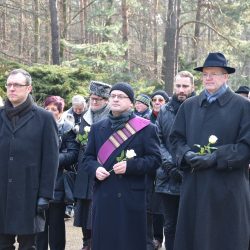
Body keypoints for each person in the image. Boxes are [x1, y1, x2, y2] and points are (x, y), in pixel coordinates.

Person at [169, 52, 250, 250]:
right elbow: (175, 139)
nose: (209, 78)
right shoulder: (189, 106)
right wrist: (186, 155)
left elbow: (246, 146)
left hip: (228, 189)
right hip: (194, 187)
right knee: (193, 239)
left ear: (226, 77)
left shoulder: (243, 106)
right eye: (205, 74)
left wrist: (215, 157)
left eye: (214, 73)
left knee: (224, 240)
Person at [82, 82, 161, 250]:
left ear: (131, 102)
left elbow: (155, 160)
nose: (116, 99)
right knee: (105, 241)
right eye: (113, 96)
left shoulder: (146, 128)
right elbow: (87, 158)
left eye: (121, 96)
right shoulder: (97, 128)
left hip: (131, 197)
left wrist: (131, 166)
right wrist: (95, 168)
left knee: (129, 242)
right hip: (104, 195)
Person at [0, 69, 58, 249]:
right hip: (2, 191)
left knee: (28, 245)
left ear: (29, 88)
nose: (11, 89)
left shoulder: (44, 118)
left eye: (17, 85)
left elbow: (51, 159)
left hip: (29, 192)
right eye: (8, 85)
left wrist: (45, 195)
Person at [155, 71, 195, 250]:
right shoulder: (164, 110)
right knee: (170, 226)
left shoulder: (199, 108)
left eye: (185, 86)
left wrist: (187, 165)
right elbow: (158, 140)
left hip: (193, 175)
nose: (181, 90)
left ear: (192, 87)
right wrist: (170, 165)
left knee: (192, 225)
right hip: (167, 177)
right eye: (178, 86)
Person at [36, 96, 79, 250]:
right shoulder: (37, 126)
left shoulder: (67, 129)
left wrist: (51, 159)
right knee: (39, 224)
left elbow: (73, 154)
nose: (49, 112)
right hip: (38, 182)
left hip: (58, 181)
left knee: (56, 225)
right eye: (46, 109)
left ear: (60, 112)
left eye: (53, 109)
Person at [73, 80, 111, 250]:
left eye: (98, 99)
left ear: (106, 100)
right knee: (83, 207)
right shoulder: (85, 117)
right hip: (84, 170)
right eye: (92, 98)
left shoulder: (110, 117)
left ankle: (96, 242)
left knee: (96, 210)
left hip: (102, 169)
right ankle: (86, 241)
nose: (94, 102)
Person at [145, 89, 168, 250]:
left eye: (161, 100)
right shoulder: (146, 119)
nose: (157, 102)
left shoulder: (169, 117)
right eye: (155, 99)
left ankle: (161, 237)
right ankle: (152, 237)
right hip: (149, 165)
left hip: (165, 165)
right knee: (150, 204)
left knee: (161, 205)